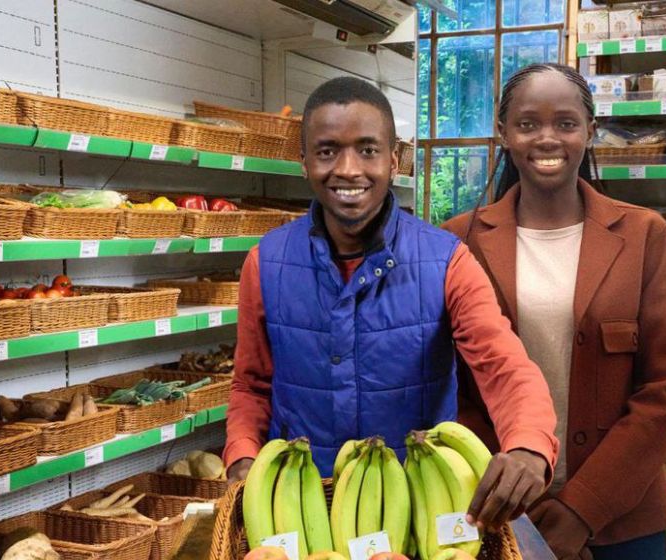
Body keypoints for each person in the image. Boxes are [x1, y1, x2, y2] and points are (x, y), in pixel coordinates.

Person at [224, 76, 560, 530]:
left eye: (367, 149)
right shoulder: (266, 263)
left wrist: (529, 443)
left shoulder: (446, 261)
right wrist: (242, 456)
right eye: (326, 151)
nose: (347, 169)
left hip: (419, 508)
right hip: (305, 511)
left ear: (393, 158)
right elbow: (251, 385)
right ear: (303, 161)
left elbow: (504, 366)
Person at [442, 63, 666, 559]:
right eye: (528, 123)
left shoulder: (643, 236)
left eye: (566, 123)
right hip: (500, 509)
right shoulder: (459, 239)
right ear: (503, 132)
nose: (547, 138)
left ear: (590, 131)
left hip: (622, 519)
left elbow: (663, 392)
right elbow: (452, 383)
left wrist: (582, 508)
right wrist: (513, 482)